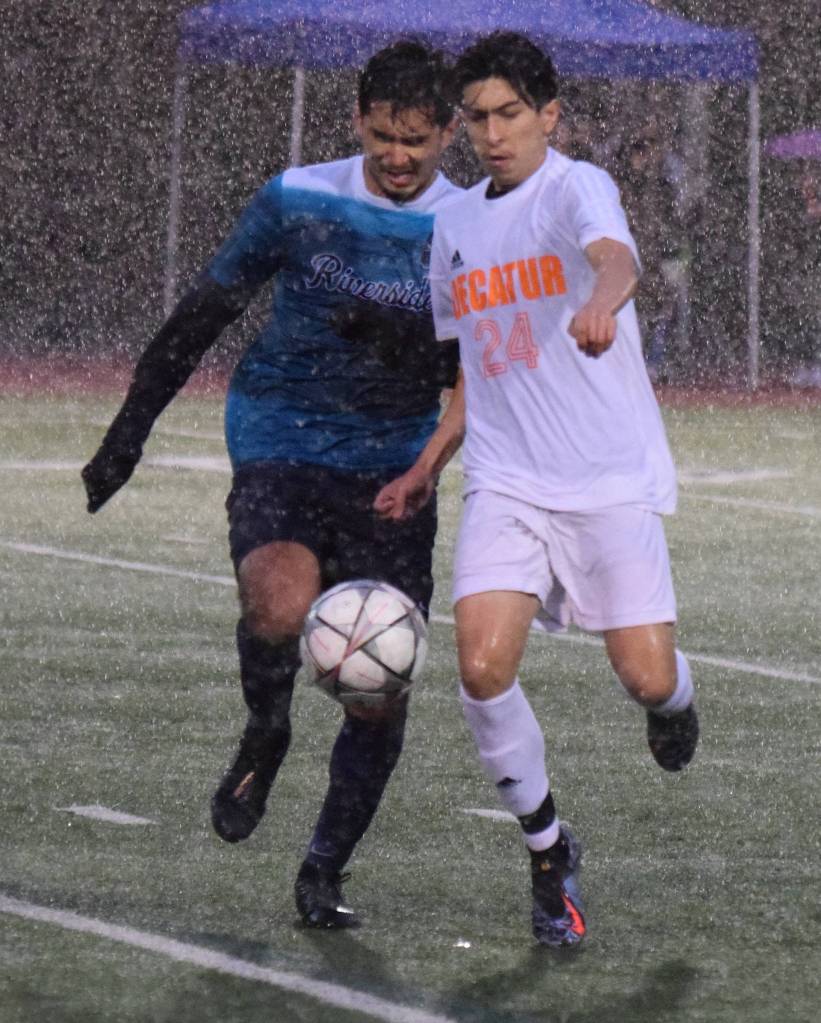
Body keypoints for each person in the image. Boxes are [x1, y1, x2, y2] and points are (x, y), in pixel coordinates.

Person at [81, 40, 461, 929]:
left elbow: (482, 365)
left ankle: (324, 868)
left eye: (414, 140)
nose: (396, 156)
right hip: (281, 430)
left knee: (381, 682)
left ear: (448, 133)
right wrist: (127, 432)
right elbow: (203, 313)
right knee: (278, 608)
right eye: (381, 136)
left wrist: (409, 361)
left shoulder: (472, 225)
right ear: (355, 119)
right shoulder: (296, 198)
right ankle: (267, 724)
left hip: (396, 462)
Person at [375, 32, 699, 949]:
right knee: (480, 668)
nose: (492, 133)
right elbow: (475, 369)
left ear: (548, 116)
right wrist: (427, 465)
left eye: (509, 114)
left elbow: (615, 259)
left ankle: (676, 702)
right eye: (476, 117)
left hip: (604, 477)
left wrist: (601, 299)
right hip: (507, 480)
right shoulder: (453, 226)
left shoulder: (575, 186)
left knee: (644, 676)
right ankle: (549, 852)